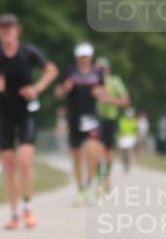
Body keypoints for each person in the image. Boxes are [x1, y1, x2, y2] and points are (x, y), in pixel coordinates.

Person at [0, 15, 58, 229]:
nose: (7, 31)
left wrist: (37, 88)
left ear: (18, 30)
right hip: (4, 111)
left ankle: (28, 207)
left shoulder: (28, 52)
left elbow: (52, 70)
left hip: (26, 110)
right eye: (3, 28)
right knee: (8, 162)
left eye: (10, 27)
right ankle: (14, 212)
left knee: (24, 160)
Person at [55, 42, 106, 203]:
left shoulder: (98, 73)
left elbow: (103, 92)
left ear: (90, 57)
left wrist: (99, 93)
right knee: (76, 156)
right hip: (74, 117)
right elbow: (58, 93)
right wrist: (65, 88)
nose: (84, 59)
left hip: (90, 117)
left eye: (86, 56)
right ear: (77, 58)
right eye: (81, 57)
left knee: (91, 150)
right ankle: (80, 189)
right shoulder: (70, 72)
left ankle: (90, 183)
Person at [95, 57, 130, 188]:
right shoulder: (92, 80)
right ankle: (99, 178)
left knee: (108, 151)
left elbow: (126, 101)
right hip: (95, 118)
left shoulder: (115, 81)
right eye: (98, 68)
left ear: (108, 69)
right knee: (96, 149)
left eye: (103, 68)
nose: (100, 71)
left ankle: (106, 177)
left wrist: (111, 101)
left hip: (110, 118)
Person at [118, 107, 138, 172]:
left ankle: (129, 164)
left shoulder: (134, 121)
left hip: (131, 137)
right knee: (124, 153)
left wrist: (136, 138)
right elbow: (120, 130)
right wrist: (119, 138)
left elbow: (135, 130)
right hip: (124, 137)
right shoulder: (122, 120)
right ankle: (125, 164)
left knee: (129, 151)